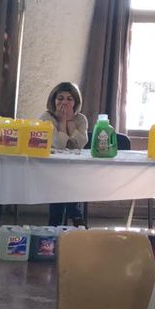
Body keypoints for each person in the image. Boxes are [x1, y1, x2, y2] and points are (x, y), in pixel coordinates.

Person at [41, 82, 88, 226]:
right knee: (63, 183)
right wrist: (62, 122)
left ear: (75, 102)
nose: (64, 103)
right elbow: (59, 145)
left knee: (69, 181)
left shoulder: (81, 119)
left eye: (69, 99)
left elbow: (79, 145)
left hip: (75, 170)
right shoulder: (46, 118)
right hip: (50, 170)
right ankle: (76, 219)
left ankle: (71, 221)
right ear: (54, 101)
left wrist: (71, 124)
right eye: (60, 98)